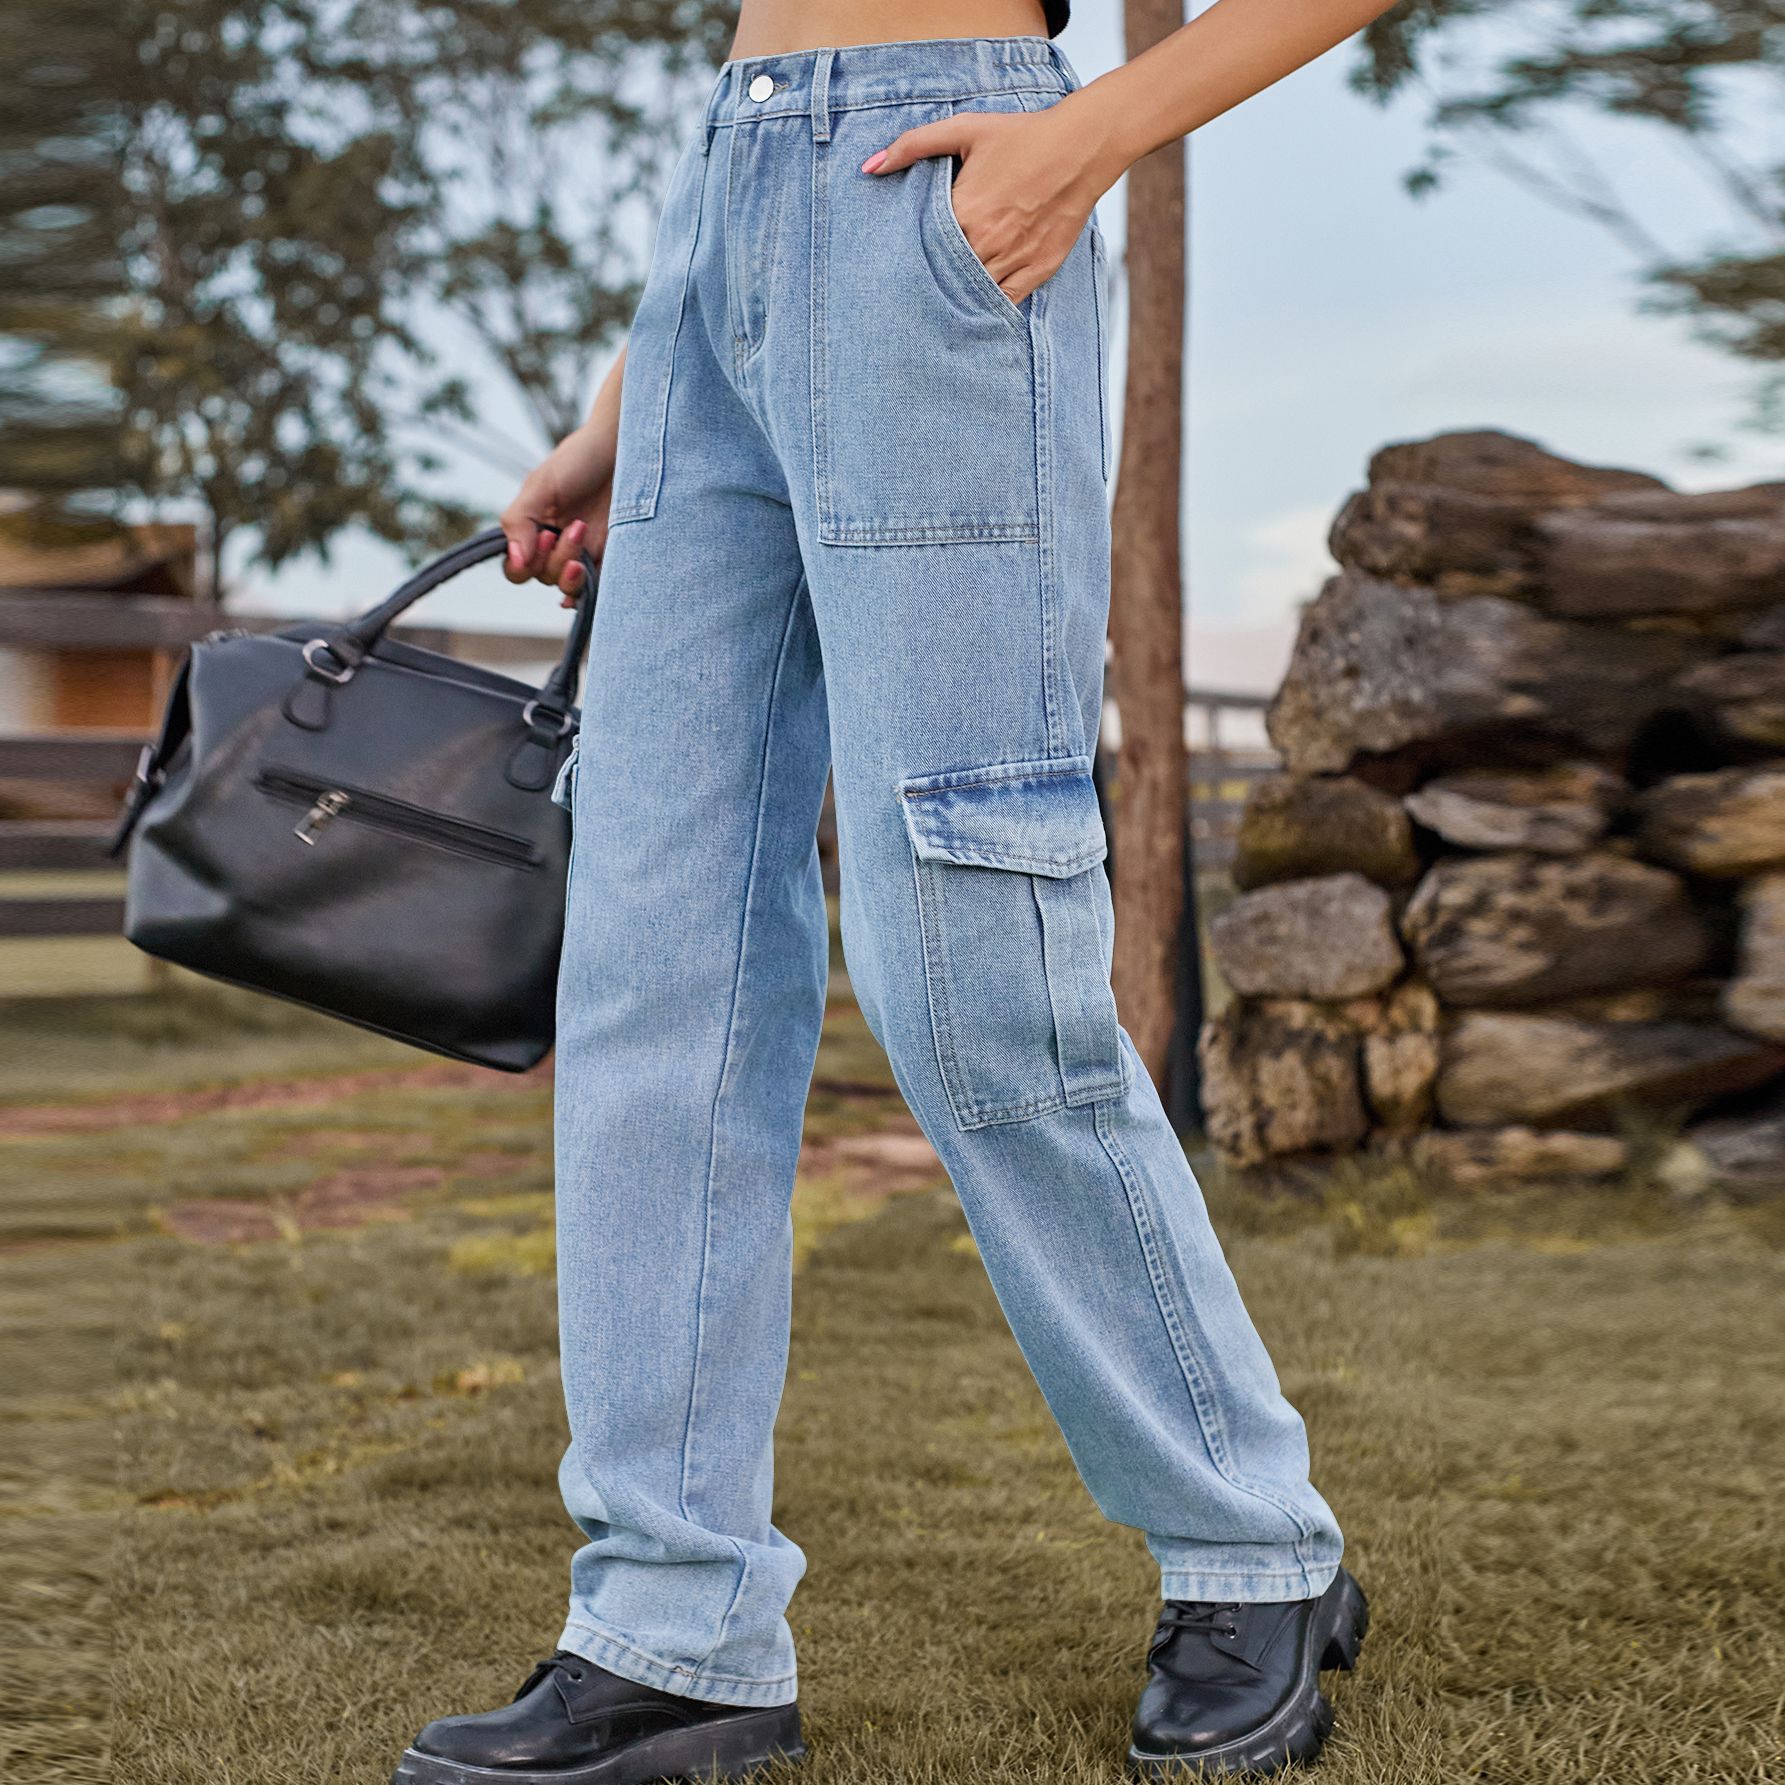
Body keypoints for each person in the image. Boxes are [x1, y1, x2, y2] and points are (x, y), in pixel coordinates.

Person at [395, 1, 1390, 1779]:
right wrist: (634, 395)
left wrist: (1092, 133)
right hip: (722, 208)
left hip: (947, 183)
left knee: (963, 956)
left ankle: (1250, 1538)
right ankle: (672, 1624)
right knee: (646, 973)